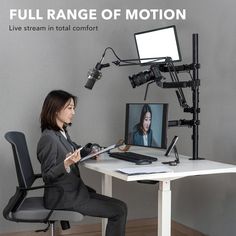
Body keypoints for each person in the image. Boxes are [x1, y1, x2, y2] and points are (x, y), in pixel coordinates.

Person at [37, 90, 127, 236]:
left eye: (74, 108)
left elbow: (74, 149)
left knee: (121, 207)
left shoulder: (61, 132)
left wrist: (91, 151)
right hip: (64, 198)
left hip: (75, 192)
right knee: (119, 211)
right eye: (70, 108)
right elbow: (47, 176)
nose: (74, 112)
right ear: (55, 110)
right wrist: (66, 164)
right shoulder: (48, 138)